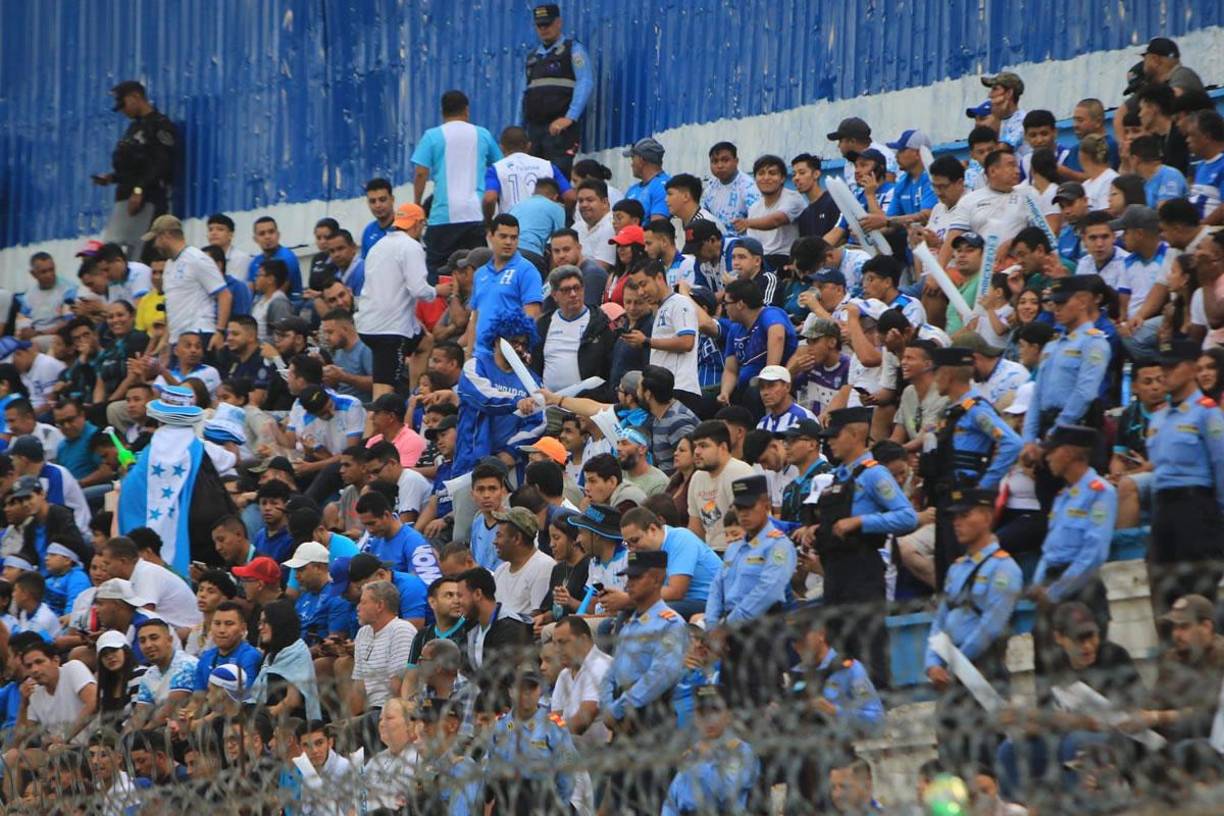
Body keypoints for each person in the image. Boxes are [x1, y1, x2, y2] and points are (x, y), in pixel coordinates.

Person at [814, 407, 917, 685]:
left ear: (857, 433)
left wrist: (861, 522)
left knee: (867, 645)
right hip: (836, 572)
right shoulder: (841, 476)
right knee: (840, 645)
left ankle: (877, 708)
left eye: (835, 436)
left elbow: (907, 517)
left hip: (863, 569)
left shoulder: (874, 474)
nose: (830, 442)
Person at [925, 488, 1022, 768]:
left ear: (987, 516)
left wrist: (953, 663)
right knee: (952, 760)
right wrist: (932, 662)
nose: (957, 523)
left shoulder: (1004, 568)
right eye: (954, 517)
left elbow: (990, 626)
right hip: (951, 677)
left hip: (982, 673)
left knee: (985, 760)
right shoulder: (957, 568)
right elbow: (940, 619)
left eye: (965, 515)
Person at [922, 346, 1022, 585]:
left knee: (963, 566)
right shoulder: (951, 411)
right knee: (946, 566)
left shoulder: (976, 409)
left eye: (936, 373)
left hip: (965, 497)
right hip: (946, 497)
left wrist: (983, 486)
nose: (935, 380)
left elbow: (1012, 443)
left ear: (946, 375)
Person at [598, 549, 687, 813]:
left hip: (651, 720)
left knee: (650, 801)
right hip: (625, 724)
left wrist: (619, 707)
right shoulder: (632, 623)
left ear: (657, 578)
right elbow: (612, 670)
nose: (629, 583)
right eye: (628, 577)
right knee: (622, 798)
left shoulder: (670, 624)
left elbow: (660, 675)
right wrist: (606, 706)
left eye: (636, 577)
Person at [1146, 338, 1224, 614]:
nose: (1164, 373)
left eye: (1172, 366)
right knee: (1167, 595)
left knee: (1199, 594)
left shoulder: (1206, 412)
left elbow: (1221, 464)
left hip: (1196, 508)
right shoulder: (1159, 417)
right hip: (1164, 509)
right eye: (1162, 366)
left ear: (1191, 368)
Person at [1030, 425, 1116, 665]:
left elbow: (1094, 553)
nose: (1046, 457)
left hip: (1082, 589)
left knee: (1087, 667)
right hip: (1052, 585)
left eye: (1051, 451)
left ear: (1067, 453)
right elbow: (1050, 549)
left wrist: (1055, 591)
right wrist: (1040, 583)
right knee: (1047, 666)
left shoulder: (1099, 492)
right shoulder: (1062, 497)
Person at [1021, 276, 1110, 505]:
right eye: (1054, 303)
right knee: (1047, 503)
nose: (1056, 309)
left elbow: (1084, 393)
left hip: (1074, 433)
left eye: (1062, 303)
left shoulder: (1094, 342)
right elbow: (1037, 396)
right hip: (1047, 429)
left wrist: (1051, 438)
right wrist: (1030, 439)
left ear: (1081, 302)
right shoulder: (1052, 346)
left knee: (1076, 503)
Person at [356, 202, 446, 400]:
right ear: (417, 223)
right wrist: (439, 290)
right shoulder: (411, 246)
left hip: (367, 323)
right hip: (389, 330)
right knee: (382, 396)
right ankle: (373, 431)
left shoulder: (378, 246)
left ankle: (415, 398)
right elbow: (418, 290)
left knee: (424, 342)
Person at [412, 90, 502, 273]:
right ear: (466, 110)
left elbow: (421, 173)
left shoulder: (432, 136)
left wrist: (417, 205)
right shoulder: (482, 134)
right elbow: (500, 168)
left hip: (442, 216)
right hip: (475, 215)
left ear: (442, 112)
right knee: (476, 270)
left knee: (436, 271)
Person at [96, 81, 177, 258]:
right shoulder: (134, 128)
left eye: (123, 104)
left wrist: (139, 189)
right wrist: (112, 178)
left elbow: (160, 163)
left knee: (141, 251)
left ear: (135, 97)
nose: (123, 111)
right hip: (127, 197)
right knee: (119, 252)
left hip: (147, 198)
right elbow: (133, 167)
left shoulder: (159, 125)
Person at [488, 670, 579, 813]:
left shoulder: (553, 726)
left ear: (540, 690)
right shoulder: (500, 726)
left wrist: (559, 806)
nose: (526, 694)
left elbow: (567, 771)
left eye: (532, 688)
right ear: (511, 692)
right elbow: (490, 767)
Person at [661, 685, 759, 816]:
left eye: (715, 711)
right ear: (695, 719)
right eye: (702, 713)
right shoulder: (691, 753)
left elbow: (725, 792)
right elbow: (673, 801)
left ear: (728, 716)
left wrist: (701, 760)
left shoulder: (741, 751)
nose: (709, 719)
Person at [520, 4, 592, 175]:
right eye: (540, 25)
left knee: (557, 179)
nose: (544, 29)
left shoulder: (573, 50)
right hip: (534, 131)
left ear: (558, 23)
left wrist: (570, 117)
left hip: (560, 133)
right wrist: (520, 129)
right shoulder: (533, 58)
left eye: (548, 24)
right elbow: (523, 95)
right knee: (533, 180)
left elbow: (585, 82)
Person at [620, 506, 720, 620]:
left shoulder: (681, 539)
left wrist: (628, 598)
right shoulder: (646, 551)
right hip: (684, 601)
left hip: (709, 600)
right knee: (617, 619)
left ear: (652, 529)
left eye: (634, 540)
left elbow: (676, 592)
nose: (632, 549)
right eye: (627, 544)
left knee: (651, 614)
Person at [466, 214, 544, 350]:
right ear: (490, 236)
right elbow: (474, 318)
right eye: (503, 236)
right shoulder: (480, 274)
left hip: (507, 355)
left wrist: (517, 351)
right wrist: (468, 355)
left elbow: (532, 316)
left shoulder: (527, 271)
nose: (509, 242)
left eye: (513, 237)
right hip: (479, 355)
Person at [531, 264, 614, 392]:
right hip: (548, 401)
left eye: (577, 288)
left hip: (584, 402)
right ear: (554, 295)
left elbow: (608, 366)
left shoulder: (599, 323)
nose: (573, 294)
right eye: (566, 290)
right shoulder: (544, 324)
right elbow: (536, 362)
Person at [686, 420, 755, 553]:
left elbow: (748, 526)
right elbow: (695, 529)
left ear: (722, 447)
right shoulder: (697, 477)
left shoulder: (739, 472)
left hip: (740, 550)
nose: (697, 452)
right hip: (710, 553)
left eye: (703, 446)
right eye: (695, 446)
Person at [13, 640, 97, 744]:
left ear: (56, 661)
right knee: (14, 755)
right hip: (59, 751)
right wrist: (23, 704)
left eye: (39, 662)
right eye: (29, 666)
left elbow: (94, 701)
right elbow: (20, 741)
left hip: (93, 744)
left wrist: (64, 738)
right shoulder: (33, 691)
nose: (34, 669)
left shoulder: (73, 668)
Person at [490, 506, 555, 617]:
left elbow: (537, 615)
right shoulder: (501, 570)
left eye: (499, 536)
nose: (494, 542)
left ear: (517, 538)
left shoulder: (544, 566)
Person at [703, 142, 761, 236]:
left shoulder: (748, 187)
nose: (720, 166)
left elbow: (757, 221)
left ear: (736, 161)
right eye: (715, 161)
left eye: (725, 160)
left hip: (742, 245)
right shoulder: (710, 186)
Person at [754, 365, 817, 434]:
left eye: (771, 385)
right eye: (762, 387)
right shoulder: (762, 424)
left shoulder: (803, 418)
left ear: (787, 387)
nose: (765, 392)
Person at [623, 138, 671, 222]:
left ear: (641, 160)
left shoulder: (663, 187)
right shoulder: (633, 189)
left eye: (633, 158)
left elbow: (657, 229)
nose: (631, 164)